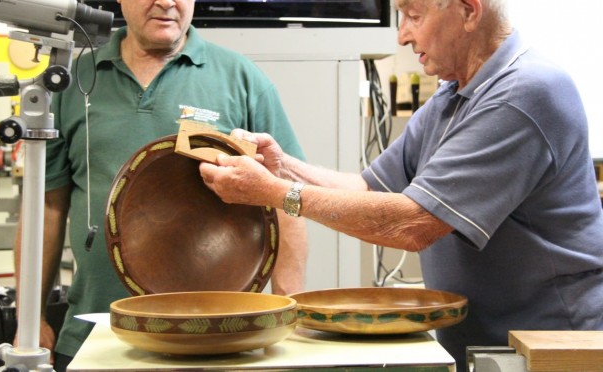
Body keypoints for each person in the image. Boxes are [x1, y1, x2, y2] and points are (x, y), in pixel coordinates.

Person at [199, 0, 603, 370]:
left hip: (552, 348)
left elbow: (414, 225)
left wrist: (273, 194)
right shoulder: (453, 96)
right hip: (487, 344)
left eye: (414, 15)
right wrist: (282, 168)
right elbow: (369, 188)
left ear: (468, 11)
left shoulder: (523, 93)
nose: (402, 35)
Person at [13, 0, 308, 370]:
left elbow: (286, 198)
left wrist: (288, 308)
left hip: (219, 338)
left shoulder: (241, 80)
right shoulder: (74, 82)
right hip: (94, 335)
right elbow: (46, 207)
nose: (167, 2)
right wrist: (30, 318)